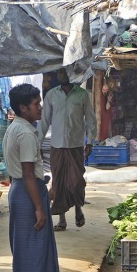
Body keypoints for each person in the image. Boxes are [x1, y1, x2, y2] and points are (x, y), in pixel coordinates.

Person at [3, 83, 61, 272]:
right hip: (28, 192)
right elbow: (28, 173)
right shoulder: (26, 133)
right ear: (23, 107)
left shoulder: (15, 127)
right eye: (36, 104)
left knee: (27, 246)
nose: (40, 108)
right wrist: (39, 207)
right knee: (31, 249)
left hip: (21, 190)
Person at [41, 68, 96, 232]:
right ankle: (62, 219)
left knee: (76, 181)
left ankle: (78, 208)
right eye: (59, 73)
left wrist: (90, 141)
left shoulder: (82, 95)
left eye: (64, 73)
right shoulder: (51, 95)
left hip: (76, 145)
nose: (61, 75)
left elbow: (91, 119)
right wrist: (37, 142)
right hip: (56, 145)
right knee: (58, 183)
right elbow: (44, 121)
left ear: (71, 75)